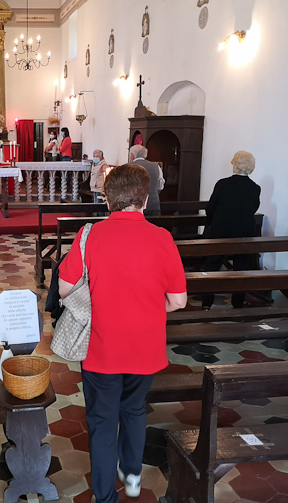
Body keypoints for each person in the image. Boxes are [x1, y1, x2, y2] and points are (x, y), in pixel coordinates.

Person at [58, 164, 187, 503]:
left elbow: (64, 289)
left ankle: (105, 497)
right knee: (134, 410)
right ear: (144, 200)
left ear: (107, 199)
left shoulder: (90, 235)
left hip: (100, 348)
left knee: (102, 422)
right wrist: (147, 308)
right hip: (145, 348)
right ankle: (132, 475)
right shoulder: (162, 238)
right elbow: (178, 301)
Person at [202, 151, 261, 309]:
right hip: (244, 232)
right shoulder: (255, 188)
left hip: (221, 231)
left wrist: (213, 222)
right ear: (251, 167)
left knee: (212, 265)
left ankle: (206, 303)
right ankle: (237, 304)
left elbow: (210, 208)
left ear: (234, 165)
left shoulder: (222, 184)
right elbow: (253, 208)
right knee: (241, 267)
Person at [129, 145, 163, 216]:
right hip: (153, 205)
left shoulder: (127, 167)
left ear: (131, 155)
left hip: (133, 206)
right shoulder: (156, 166)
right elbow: (160, 186)